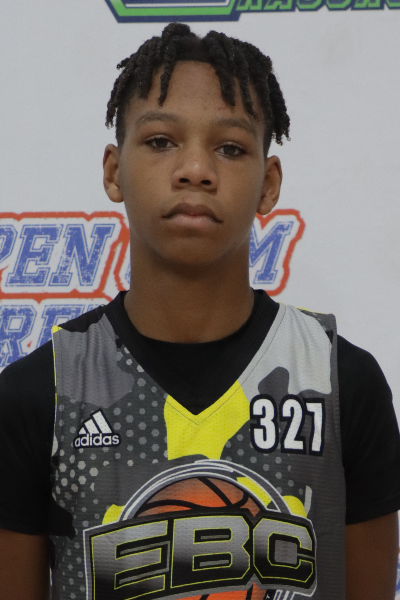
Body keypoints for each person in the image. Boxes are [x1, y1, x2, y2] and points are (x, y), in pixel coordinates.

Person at [0, 22, 399, 600]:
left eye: (230, 148)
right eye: (161, 141)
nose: (195, 169)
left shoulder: (342, 385)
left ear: (269, 183)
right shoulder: (41, 394)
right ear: (113, 170)